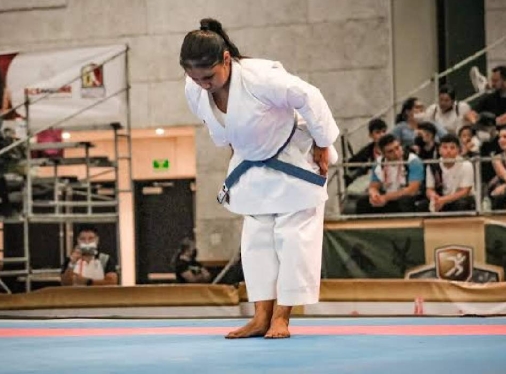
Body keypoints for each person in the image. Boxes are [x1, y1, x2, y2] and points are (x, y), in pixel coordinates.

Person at [180, 18, 339, 339]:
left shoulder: (261, 78)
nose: (202, 84)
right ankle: (260, 317)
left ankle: (282, 318)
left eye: (208, 76)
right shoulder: (194, 88)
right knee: (256, 244)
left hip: (293, 160)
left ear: (226, 59)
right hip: (251, 167)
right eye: (194, 77)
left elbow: (311, 97)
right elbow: (229, 133)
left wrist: (323, 143)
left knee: (293, 241)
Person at [357, 134, 427, 214]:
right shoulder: (379, 163)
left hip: (405, 197)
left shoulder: (413, 161)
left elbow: (412, 190)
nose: (396, 153)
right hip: (387, 196)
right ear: (383, 154)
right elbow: (373, 186)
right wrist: (374, 195)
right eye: (390, 151)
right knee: (362, 203)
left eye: (397, 148)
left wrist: (386, 198)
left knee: (405, 201)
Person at [425, 134, 475, 212]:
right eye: (445, 147)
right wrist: (434, 197)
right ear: (439, 150)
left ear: (458, 150)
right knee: (423, 205)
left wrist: (443, 200)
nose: (448, 151)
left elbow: (465, 191)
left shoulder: (466, 164)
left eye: (452, 148)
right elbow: (429, 189)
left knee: (461, 204)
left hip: (459, 199)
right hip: (441, 198)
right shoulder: (433, 165)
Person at [344, 118, 387, 187]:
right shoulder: (366, 152)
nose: (382, 135)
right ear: (370, 135)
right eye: (378, 132)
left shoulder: (393, 147)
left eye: (384, 131)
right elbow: (351, 165)